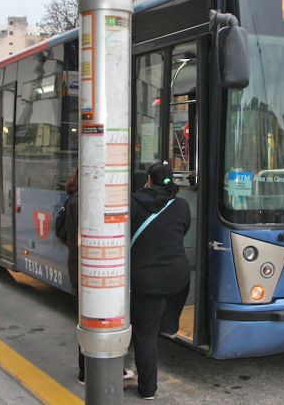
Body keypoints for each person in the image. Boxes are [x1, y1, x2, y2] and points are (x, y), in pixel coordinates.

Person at [65, 169, 134, 385]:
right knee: (95, 319)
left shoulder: (74, 199)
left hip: (82, 268)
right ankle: (88, 371)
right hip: (89, 270)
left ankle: (91, 370)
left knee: (94, 319)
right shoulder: (85, 202)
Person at [130, 161, 191, 400]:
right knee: (179, 290)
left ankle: (147, 390)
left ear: (148, 179)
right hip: (177, 274)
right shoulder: (182, 205)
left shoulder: (133, 203)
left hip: (145, 279)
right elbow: (182, 229)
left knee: (145, 334)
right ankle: (169, 325)